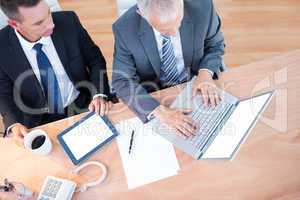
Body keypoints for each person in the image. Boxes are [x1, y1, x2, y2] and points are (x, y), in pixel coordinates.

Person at [0, 0, 113, 145]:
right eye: (39, 23)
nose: (51, 24)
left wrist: (99, 94)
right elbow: (3, 93)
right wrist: (13, 123)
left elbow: (95, 59)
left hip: (84, 104)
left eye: (48, 14)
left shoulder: (68, 21)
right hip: (37, 121)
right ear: (14, 24)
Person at [112, 0, 226, 138]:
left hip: (196, 85)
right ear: (141, 14)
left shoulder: (203, 6)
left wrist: (205, 73)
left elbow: (215, 45)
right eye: (164, 31)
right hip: (157, 94)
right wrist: (158, 111)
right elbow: (122, 80)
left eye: (179, 21)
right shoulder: (124, 28)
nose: (174, 33)